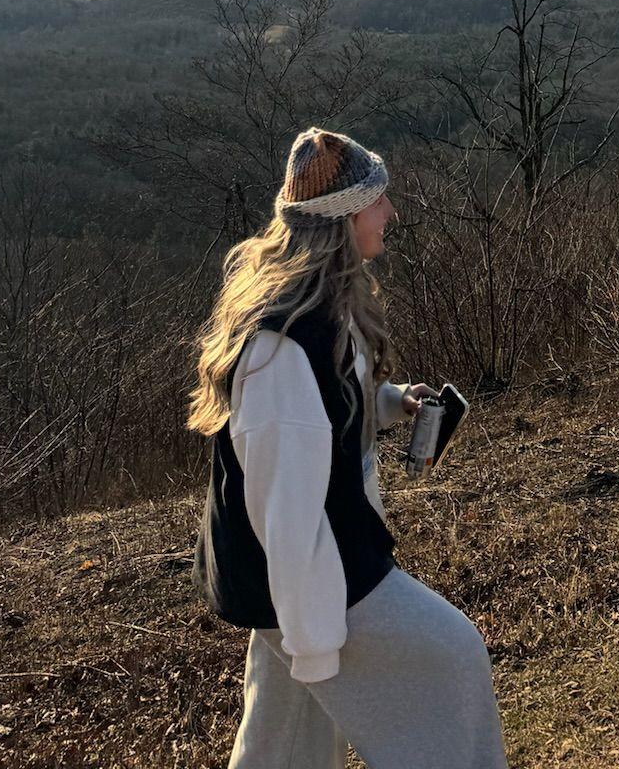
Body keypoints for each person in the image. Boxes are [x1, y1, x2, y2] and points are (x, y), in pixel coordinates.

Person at [191, 127, 509, 769]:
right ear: (342, 220)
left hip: (293, 585)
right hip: (314, 579)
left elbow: (324, 408)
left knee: (284, 749)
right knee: (452, 657)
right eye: (377, 202)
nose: (390, 214)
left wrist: (390, 403)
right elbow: (285, 512)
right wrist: (316, 645)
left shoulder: (319, 309)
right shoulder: (280, 349)